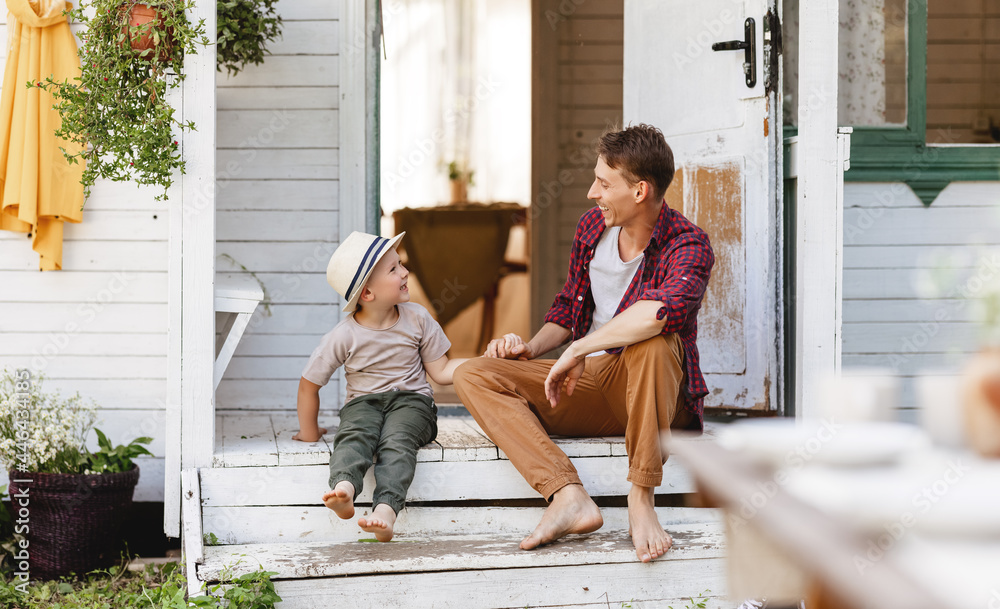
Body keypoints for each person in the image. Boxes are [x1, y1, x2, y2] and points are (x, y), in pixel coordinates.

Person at [453, 123, 714, 563]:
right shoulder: (594, 227)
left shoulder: (688, 243)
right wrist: (533, 350)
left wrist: (577, 349)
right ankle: (567, 494)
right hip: (593, 386)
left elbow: (659, 313)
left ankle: (641, 495)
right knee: (473, 373)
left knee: (652, 341)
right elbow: (569, 303)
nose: (592, 193)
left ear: (639, 191)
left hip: (656, 393)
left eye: (603, 183)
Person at [293, 231, 467, 542]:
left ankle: (386, 509)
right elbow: (309, 384)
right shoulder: (343, 335)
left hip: (412, 403)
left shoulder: (418, 319)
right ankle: (344, 490)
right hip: (364, 404)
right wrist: (309, 432)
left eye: (401, 264)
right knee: (354, 436)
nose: (405, 272)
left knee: (397, 441)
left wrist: (485, 363)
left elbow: (440, 372)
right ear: (368, 294)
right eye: (393, 269)